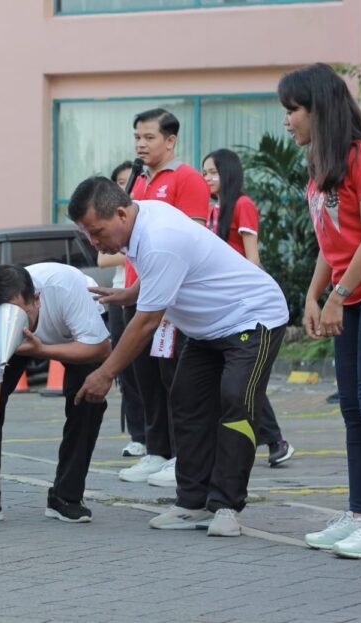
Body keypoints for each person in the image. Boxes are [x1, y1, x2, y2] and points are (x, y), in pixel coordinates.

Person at [69, 176, 288, 537]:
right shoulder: (143, 218)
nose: (94, 242)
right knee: (186, 403)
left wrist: (106, 373)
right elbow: (163, 272)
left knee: (236, 401)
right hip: (206, 330)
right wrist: (130, 293)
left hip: (253, 317)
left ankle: (226, 506)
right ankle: (192, 503)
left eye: (97, 231)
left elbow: (146, 323)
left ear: (121, 213)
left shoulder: (160, 237)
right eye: (87, 234)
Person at [278, 63, 361, 558]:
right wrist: (314, 295)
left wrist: (338, 294)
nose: (287, 121)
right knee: (352, 410)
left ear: (319, 109)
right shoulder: (322, 166)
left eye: (292, 110)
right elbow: (331, 240)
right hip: (351, 295)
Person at [0, 263, 110, 524]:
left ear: (37, 300)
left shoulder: (65, 287)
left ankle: (66, 496)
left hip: (77, 338)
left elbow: (100, 348)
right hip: (26, 346)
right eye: (1, 316)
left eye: (19, 314)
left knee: (88, 397)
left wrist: (42, 351)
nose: (13, 323)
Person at [118, 108, 211, 488]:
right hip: (136, 291)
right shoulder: (136, 182)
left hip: (170, 296)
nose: (141, 144)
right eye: (137, 137)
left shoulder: (186, 179)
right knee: (144, 377)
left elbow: (194, 238)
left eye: (150, 137)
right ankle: (155, 449)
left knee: (176, 378)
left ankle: (182, 457)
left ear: (170, 140)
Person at [202, 148, 295, 467]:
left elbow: (252, 258)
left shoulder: (243, 205)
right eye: (204, 174)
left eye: (213, 173)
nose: (207, 179)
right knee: (234, 381)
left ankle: (275, 440)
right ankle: (271, 441)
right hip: (220, 303)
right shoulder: (213, 210)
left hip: (244, 303)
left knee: (242, 382)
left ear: (228, 173)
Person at [100, 161, 146, 458]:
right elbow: (104, 259)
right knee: (127, 370)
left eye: (128, 181)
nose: (123, 186)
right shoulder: (111, 223)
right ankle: (138, 434)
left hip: (142, 292)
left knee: (149, 371)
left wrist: (129, 246)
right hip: (121, 293)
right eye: (118, 181)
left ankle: (157, 440)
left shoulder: (144, 220)